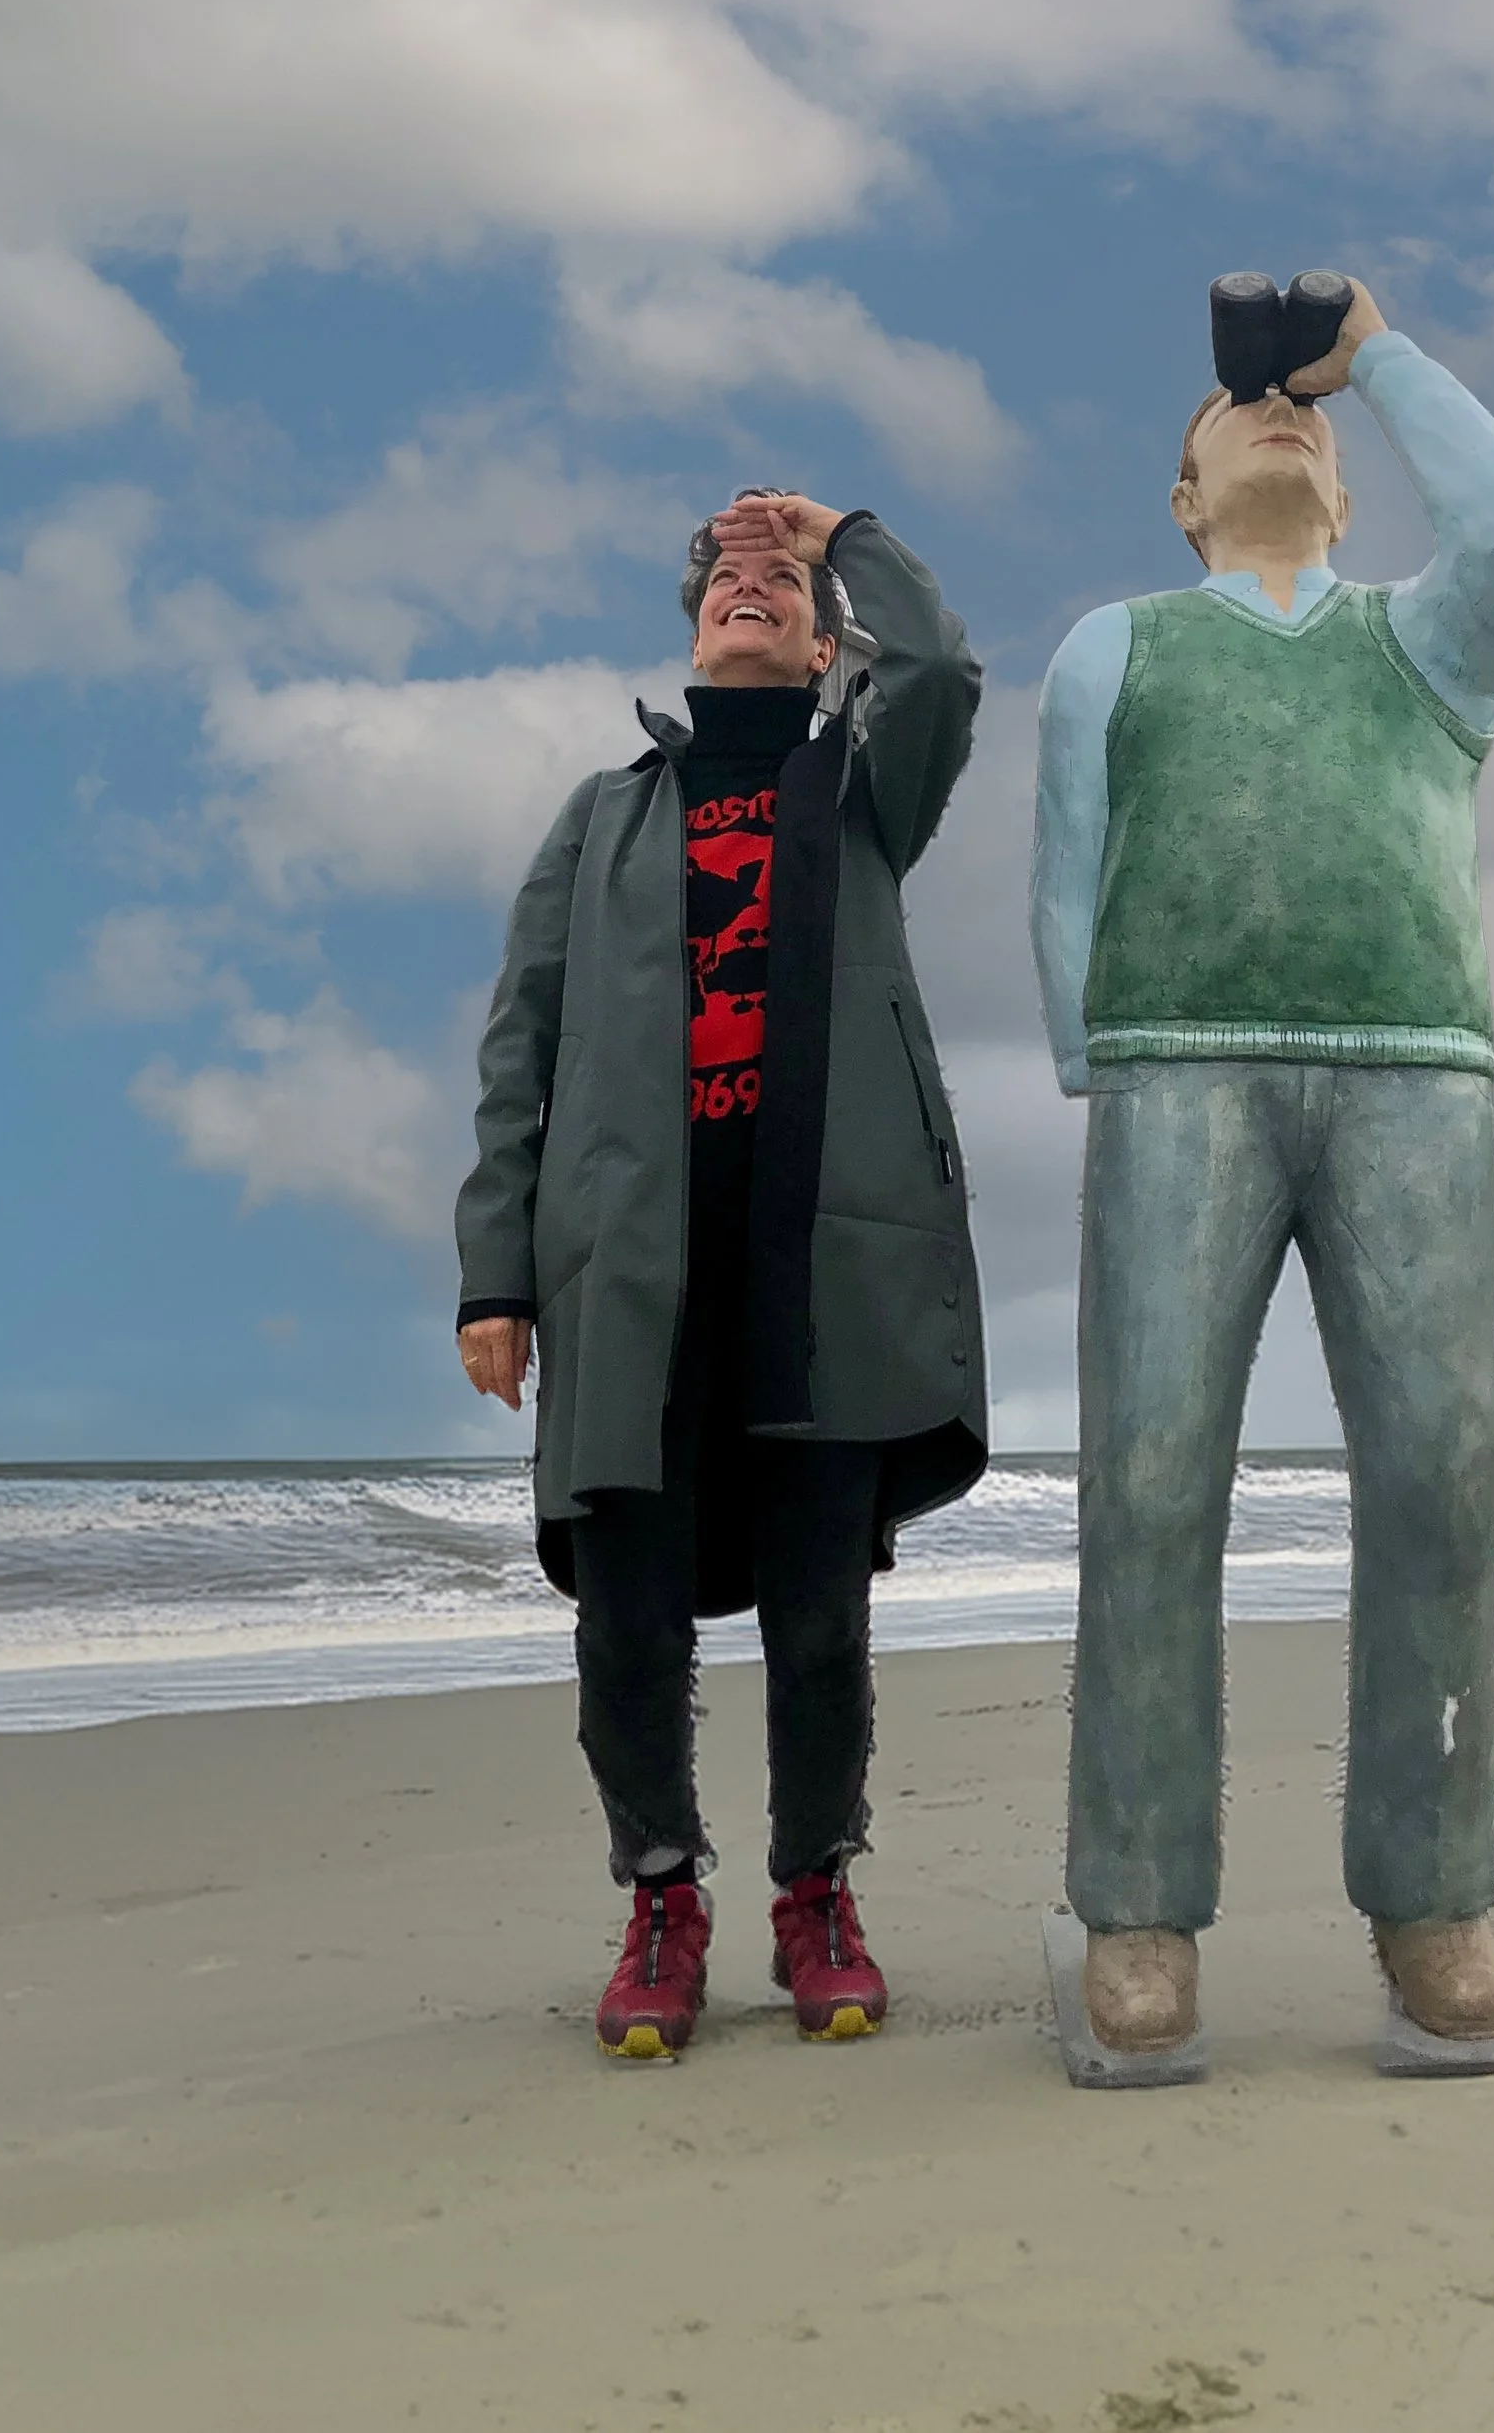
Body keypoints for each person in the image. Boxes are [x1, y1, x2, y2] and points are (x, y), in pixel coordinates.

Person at [1030, 278, 1494, 2056]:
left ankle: (1437, 1895)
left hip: (1416, 1074)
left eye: (1311, 424)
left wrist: (1375, 354)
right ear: (1184, 499)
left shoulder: (1425, 641)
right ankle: (1138, 1908)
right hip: (1178, 1072)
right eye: (1240, 413)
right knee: (1150, 1478)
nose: (1280, 418)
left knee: (1441, 1474)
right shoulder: (1116, 645)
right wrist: (1091, 1052)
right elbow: (1067, 863)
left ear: (1345, 489)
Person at [456, 490, 986, 2061]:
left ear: (825, 645)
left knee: (820, 1619)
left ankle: (817, 1895)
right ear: (693, 631)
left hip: (824, 1265)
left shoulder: (863, 789)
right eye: (726, 581)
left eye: (782, 583)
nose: (748, 588)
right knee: (627, 1620)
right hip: (630, 1271)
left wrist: (844, 533)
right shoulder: (600, 818)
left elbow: (940, 673)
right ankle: (660, 1901)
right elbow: (520, 1050)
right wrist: (496, 1275)